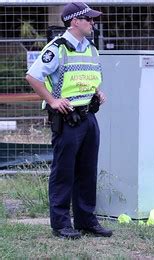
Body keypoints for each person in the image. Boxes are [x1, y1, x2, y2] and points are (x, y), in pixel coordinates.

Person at [26, 2, 112, 239]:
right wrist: (53, 101)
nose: (93, 23)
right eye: (89, 19)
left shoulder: (91, 48)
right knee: (64, 172)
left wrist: (96, 92)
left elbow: (86, 77)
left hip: (89, 117)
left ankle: (86, 220)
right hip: (67, 119)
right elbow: (33, 76)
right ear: (75, 21)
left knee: (87, 170)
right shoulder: (58, 48)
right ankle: (61, 223)